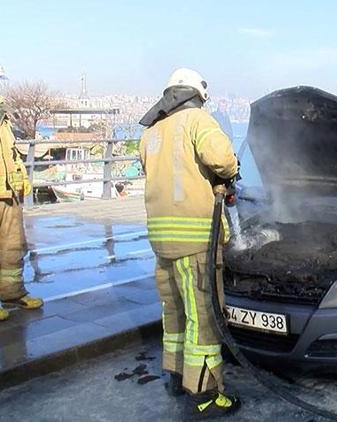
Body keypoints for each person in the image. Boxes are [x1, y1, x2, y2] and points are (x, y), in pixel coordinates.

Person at [139, 68, 241, 419]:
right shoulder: (198, 120)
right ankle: (206, 395)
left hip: (161, 242)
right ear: (196, 95)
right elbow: (222, 158)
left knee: (175, 314)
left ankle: (176, 375)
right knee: (204, 320)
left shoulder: (151, 132)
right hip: (196, 240)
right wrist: (228, 174)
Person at [0, 58, 43, 321]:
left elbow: (10, 153)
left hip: (8, 194)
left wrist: (21, 179)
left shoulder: (1, 115)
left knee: (13, 247)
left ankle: (12, 292)